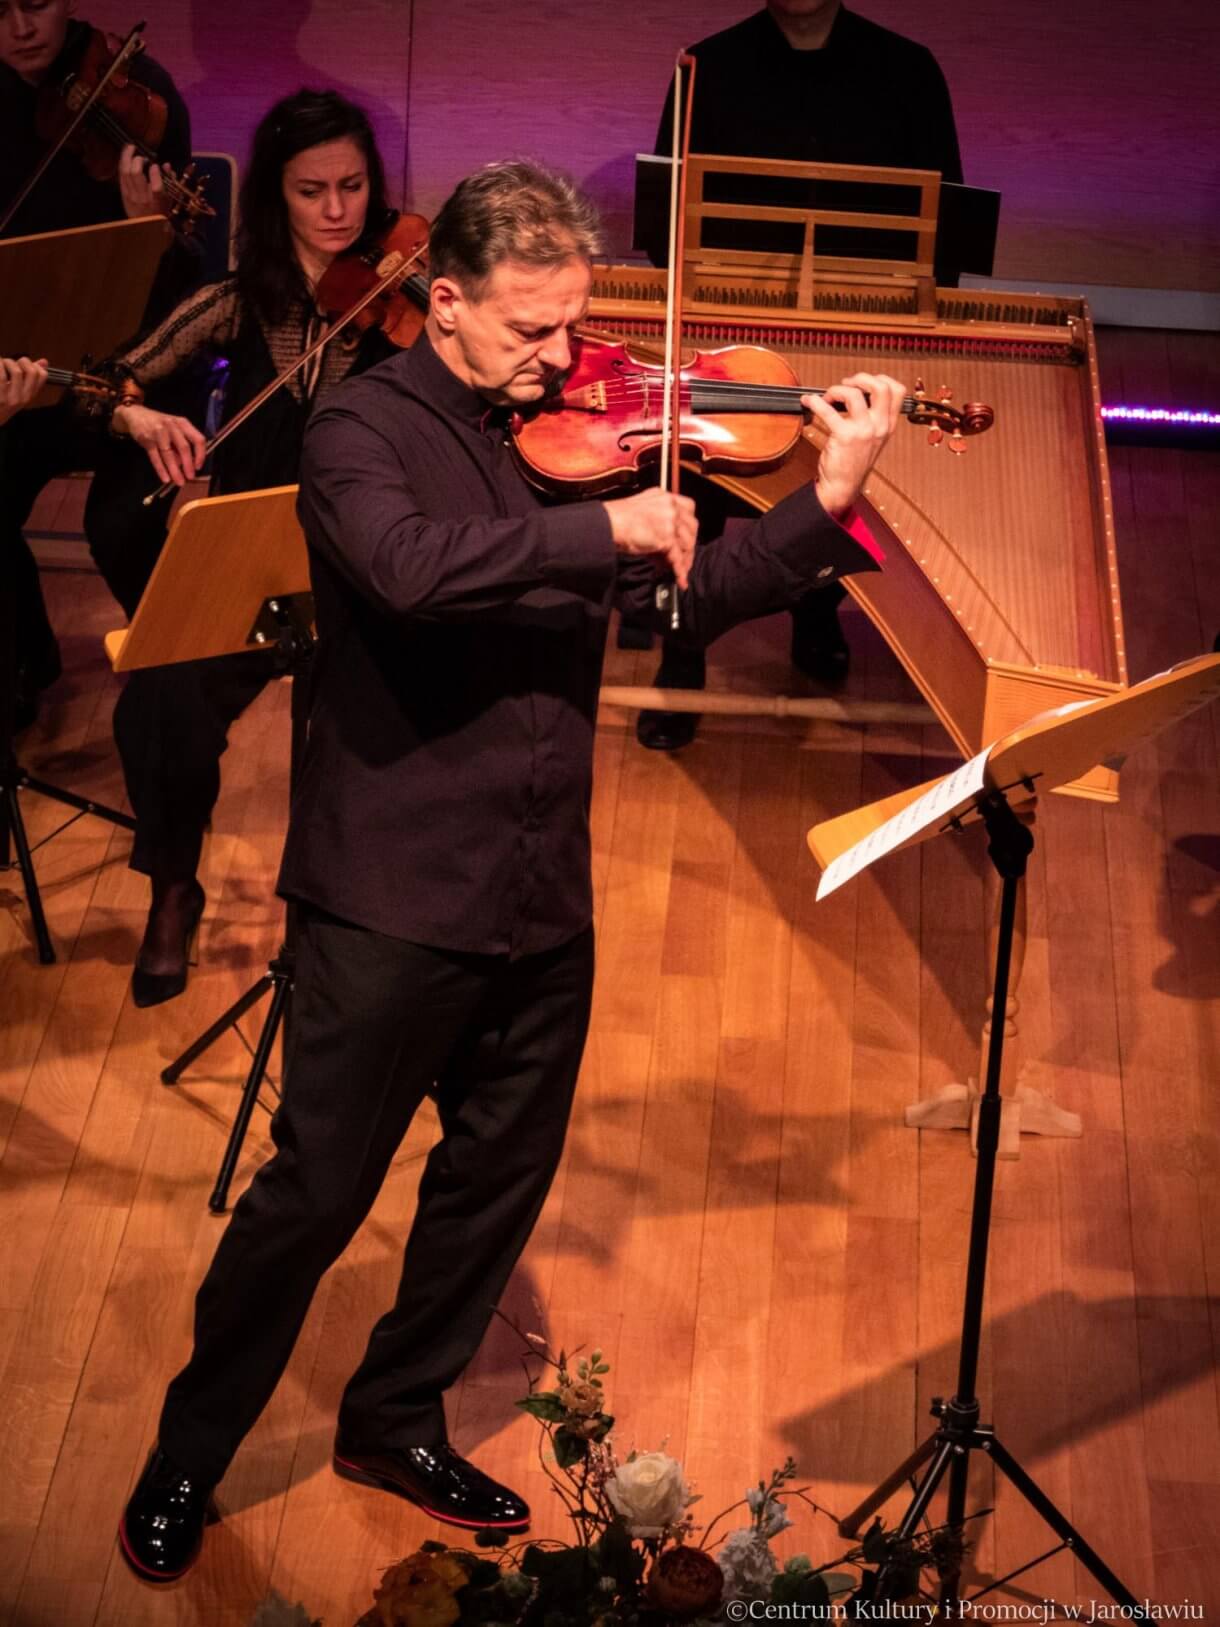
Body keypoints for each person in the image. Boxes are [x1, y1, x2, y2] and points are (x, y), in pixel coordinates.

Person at [117, 157, 906, 1584]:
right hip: (388, 895)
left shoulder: (583, 435)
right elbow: (416, 569)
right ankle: (187, 1448)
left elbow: (688, 588)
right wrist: (600, 526)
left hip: (542, 886)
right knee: (313, 1194)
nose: (564, 359)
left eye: (574, 326)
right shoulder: (362, 427)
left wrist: (824, 498)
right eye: (533, 330)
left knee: (493, 1186)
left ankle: (394, 1412)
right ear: (446, 303)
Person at [86, 88, 400, 1007]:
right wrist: (137, 414)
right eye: (313, 192)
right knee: (159, 702)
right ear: (277, 199)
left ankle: (346, 929)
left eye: (353, 185)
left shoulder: (410, 300)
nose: (339, 210)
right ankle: (173, 886)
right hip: (253, 566)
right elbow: (111, 379)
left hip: (370, 570)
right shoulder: (234, 303)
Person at [635, 0, 963, 750]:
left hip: (856, 316)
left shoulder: (909, 71)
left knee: (843, 448)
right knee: (696, 459)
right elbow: (667, 227)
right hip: (727, 307)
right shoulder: (703, 66)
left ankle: (816, 610)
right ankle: (682, 651)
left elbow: (943, 234)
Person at [0, 0, 196, 727]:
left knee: (121, 527)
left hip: (128, 370)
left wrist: (151, 231)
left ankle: (175, 689)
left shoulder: (139, 95)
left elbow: (183, 285)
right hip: (20, 373)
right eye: (0, 11)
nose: (20, 30)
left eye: (38, 4)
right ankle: (25, 664)